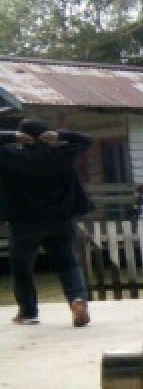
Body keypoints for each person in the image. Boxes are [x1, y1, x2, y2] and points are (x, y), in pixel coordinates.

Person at [0, 119, 92, 327]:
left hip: (24, 223)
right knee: (68, 264)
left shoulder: (10, 156)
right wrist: (61, 135)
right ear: (45, 135)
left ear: (22, 136)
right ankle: (77, 300)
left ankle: (28, 313)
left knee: (22, 268)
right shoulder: (61, 155)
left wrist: (11, 137)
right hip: (60, 221)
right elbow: (87, 140)